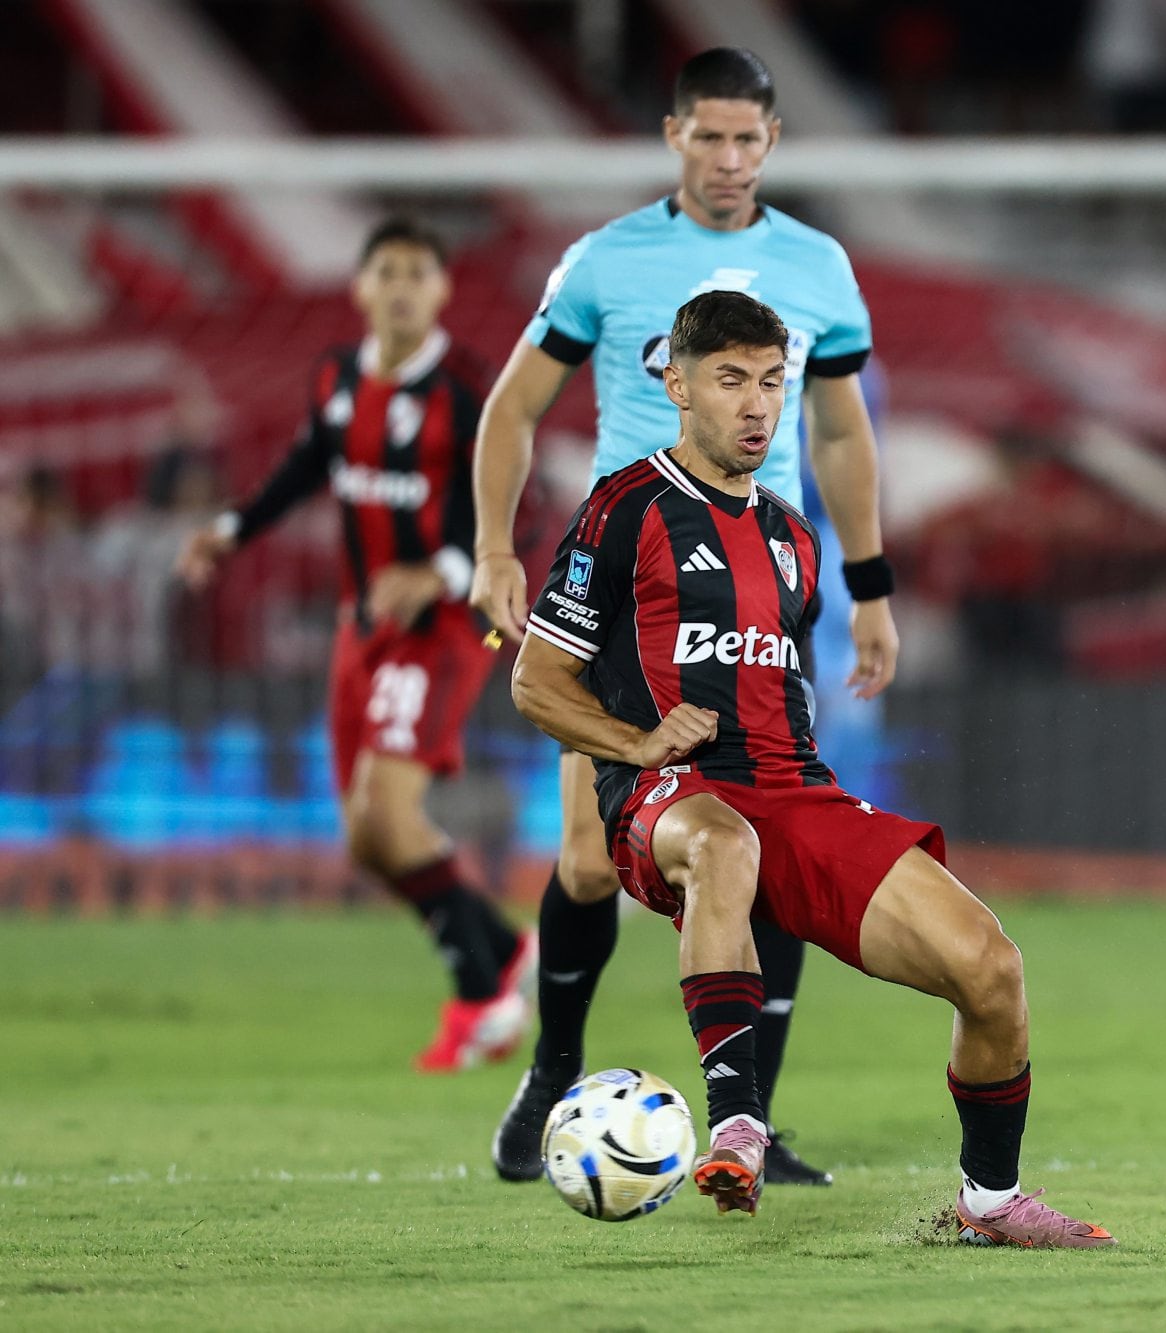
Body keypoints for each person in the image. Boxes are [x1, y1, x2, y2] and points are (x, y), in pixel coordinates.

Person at [512, 291, 1112, 1246]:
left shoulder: (794, 539)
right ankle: (739, 1123)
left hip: (794, 790)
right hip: (671, 794)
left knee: (991, 966)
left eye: (771, 382)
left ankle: (990, 1201)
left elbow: (778, 695)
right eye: (730, 380)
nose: (757, 404)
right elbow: (536, 682)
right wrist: (635, 744)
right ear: (678, 386)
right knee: (725, 844)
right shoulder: (624, 509)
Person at [474, 47, 897, 1188]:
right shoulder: (606, 259)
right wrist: (495, 547)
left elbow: (842, 433)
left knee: (777, 833)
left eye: (746, 138)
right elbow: (512, 408)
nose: (727, 158)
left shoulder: (817, 266)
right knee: (586, 859)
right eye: (707, 136)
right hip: (632, 586)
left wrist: (869, 585)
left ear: (773, 140)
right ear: (673, 135)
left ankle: (753, 1118)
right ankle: (554, 1071)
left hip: (764, 584)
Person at [177, 218, 532, 1072]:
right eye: (388, 271)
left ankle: (483, 1001)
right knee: (367, 837)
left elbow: (508, 505)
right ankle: (501, 944)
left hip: (448, 625)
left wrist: (440, 570)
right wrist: (231, 528)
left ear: (443, 290)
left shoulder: (467, 392)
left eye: (418, 272)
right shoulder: (336, 377)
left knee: (389, 812)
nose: (402, 286)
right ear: (361, 286)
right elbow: (307, 465)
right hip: (361, 628)